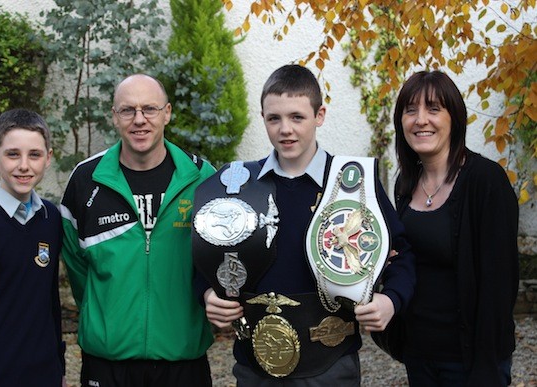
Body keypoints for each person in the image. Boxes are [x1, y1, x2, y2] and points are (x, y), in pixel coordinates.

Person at [197, 64, 415, 386]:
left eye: (297, 117)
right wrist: (205, 294)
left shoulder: (354, 184)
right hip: (254, 367)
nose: (286, 129)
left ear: (320, 115)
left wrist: (391, 299)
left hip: (329, 366)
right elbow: (202, 251)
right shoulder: (238, 184)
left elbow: (401, 254)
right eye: (274, 118)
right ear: (263, 118)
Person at [60, 74, 216, 386]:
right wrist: (106, 317)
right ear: (114, 116)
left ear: (167, 113)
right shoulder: (85, 180)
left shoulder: (202, 178)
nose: (139, 120)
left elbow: (216, 262)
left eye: (150, 109)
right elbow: (77, 266)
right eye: (128, 110)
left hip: (182, 362)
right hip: (107, 364)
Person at [393, 70, 519, 386]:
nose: (421, 119)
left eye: (433, 108)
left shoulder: (485, 182)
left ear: (454, 119)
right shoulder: (405, 185)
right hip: (419, 356)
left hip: (470, 361)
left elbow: (499, 285)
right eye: (411, 110)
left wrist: (486, 370)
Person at [0, 109, 66, 386]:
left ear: (48, 158)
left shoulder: (50, 219)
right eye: (13, 154)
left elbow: (49, 302)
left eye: (35, 155)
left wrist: (59, 365)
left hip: (44, 374)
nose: (24, 166)